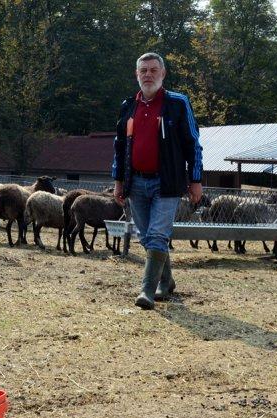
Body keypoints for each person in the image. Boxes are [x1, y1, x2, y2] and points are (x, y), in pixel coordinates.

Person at [111, 52, 203, 310]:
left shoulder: (177, 103)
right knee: (148, 237)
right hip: (136, 183)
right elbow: (119, 147)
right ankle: (167, 280)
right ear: (137, 74)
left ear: (163, 74)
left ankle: (146, 291)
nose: (148, 75)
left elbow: (193, 144)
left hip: (167, 183)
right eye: (144, 70)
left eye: (153, 70)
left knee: (158, 234)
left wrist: (195, 179)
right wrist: (118, 180)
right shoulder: (128, 106)